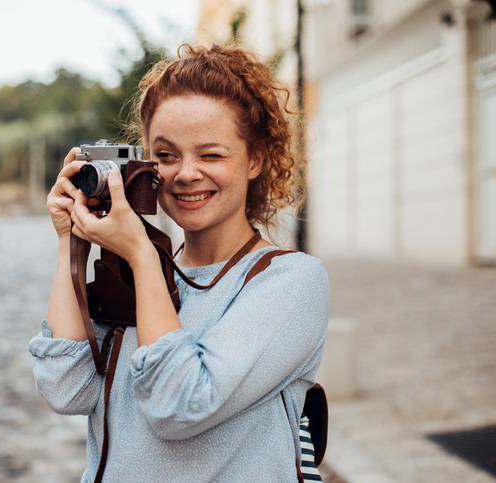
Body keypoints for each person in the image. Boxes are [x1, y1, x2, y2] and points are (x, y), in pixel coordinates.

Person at [29, 44, 329, 482]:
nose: (186, 173)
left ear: (256, 159)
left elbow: (179, 406)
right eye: (167, 156)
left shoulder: (291, 282)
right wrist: (69, 242)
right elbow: (65, 387)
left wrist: (140, 256)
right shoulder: (138, 267)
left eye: (211, 155)